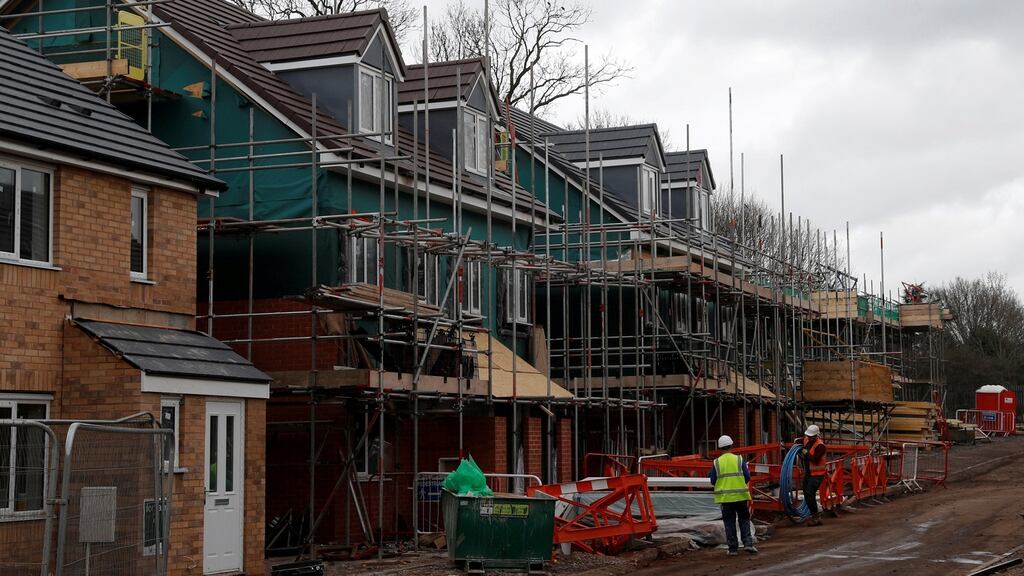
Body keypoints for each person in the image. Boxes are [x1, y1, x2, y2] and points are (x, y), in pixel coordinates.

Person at [709, 435, 758, 556]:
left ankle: (732, 549)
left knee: (729, 523)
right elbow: (747, 476)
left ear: (720, 448)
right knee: (744, 519)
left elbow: (712, 480)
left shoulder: (717, 462)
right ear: (731, 446)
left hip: (725, 499)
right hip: (740, 497)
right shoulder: (739, 459)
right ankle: (748, 544)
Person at [795, 424, 827, 526]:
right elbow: (798, 441)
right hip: (809, 473)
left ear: (816, 436)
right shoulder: (807, 439)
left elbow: (815, 459)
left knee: (809, 493)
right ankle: (815, 515)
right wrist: (796, 442)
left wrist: (805, 452)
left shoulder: (820, 446)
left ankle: (816, 517)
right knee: (807, 494)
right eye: (808, 436)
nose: (808, 438)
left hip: (817, 475)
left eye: (811, 436)